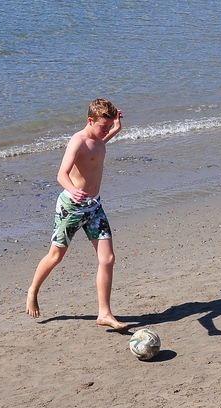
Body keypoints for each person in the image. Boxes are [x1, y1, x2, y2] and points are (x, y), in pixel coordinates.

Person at [26, 98, 128, 330]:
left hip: (94, 207)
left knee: (108, 259)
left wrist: (116, 129)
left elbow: (97, 147)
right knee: (56, 256)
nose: (106, 130)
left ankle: (104, 313)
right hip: (71, 208)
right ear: (90, 120)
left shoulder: (99, 138)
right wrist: (73, 190)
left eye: (109, 126)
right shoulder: (78, 140)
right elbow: (61, 174)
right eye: (103, 126)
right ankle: (33, 290)